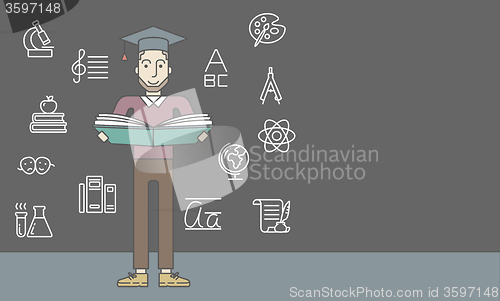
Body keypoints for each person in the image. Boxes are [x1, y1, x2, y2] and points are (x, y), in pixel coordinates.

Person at [111, 27, 192, 287]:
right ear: (137, 70)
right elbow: (113, 128)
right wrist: (106, 134)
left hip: (168, 167)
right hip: (141, 166)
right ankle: (140, 272)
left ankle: (166, 272)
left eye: (160, 65)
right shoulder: (128, 102)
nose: (153, 72)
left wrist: (198, 134)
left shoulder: (179, 104)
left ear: (169, 70)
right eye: (146, 65)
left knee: (165, 219)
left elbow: (194, 130)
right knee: (140, 218)